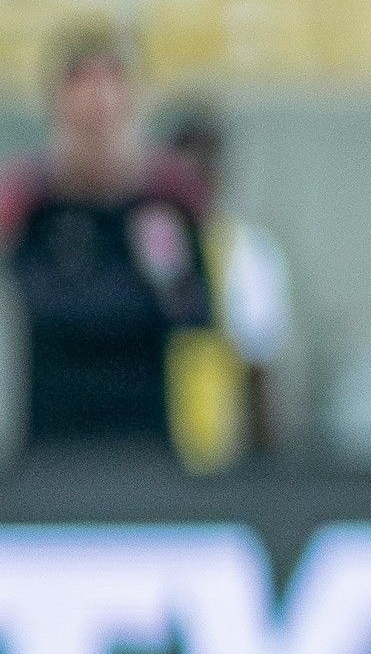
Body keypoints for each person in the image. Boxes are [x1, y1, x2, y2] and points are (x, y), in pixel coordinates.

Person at [0, 29, 216, 457]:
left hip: (146, 443)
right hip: (50, 446)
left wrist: (164, 273)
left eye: (113, 111)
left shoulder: (165, 201)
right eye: (85, 119)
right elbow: (37, 308)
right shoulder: (29, 203)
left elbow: (196, 316)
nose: (100, 115)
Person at [158, 100, 298, 466]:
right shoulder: (148, 240)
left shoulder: (248, 253)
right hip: (145, 451)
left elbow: (259, 370)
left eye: (204, 168)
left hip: (216, 458)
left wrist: (263, 471)